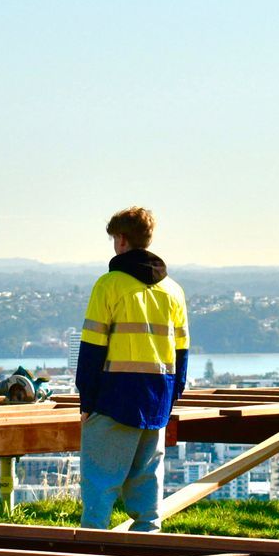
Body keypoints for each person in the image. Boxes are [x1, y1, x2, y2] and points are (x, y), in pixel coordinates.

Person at [74, 206, 189, 532]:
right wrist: (170, 399)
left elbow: (92, 348)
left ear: (122, 240)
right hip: (156, 400)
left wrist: (87, 401)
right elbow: (182, 353)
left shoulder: (109, 285)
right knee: (147, 486)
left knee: (99, 484)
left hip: (113, 398)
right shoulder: (173, 291)